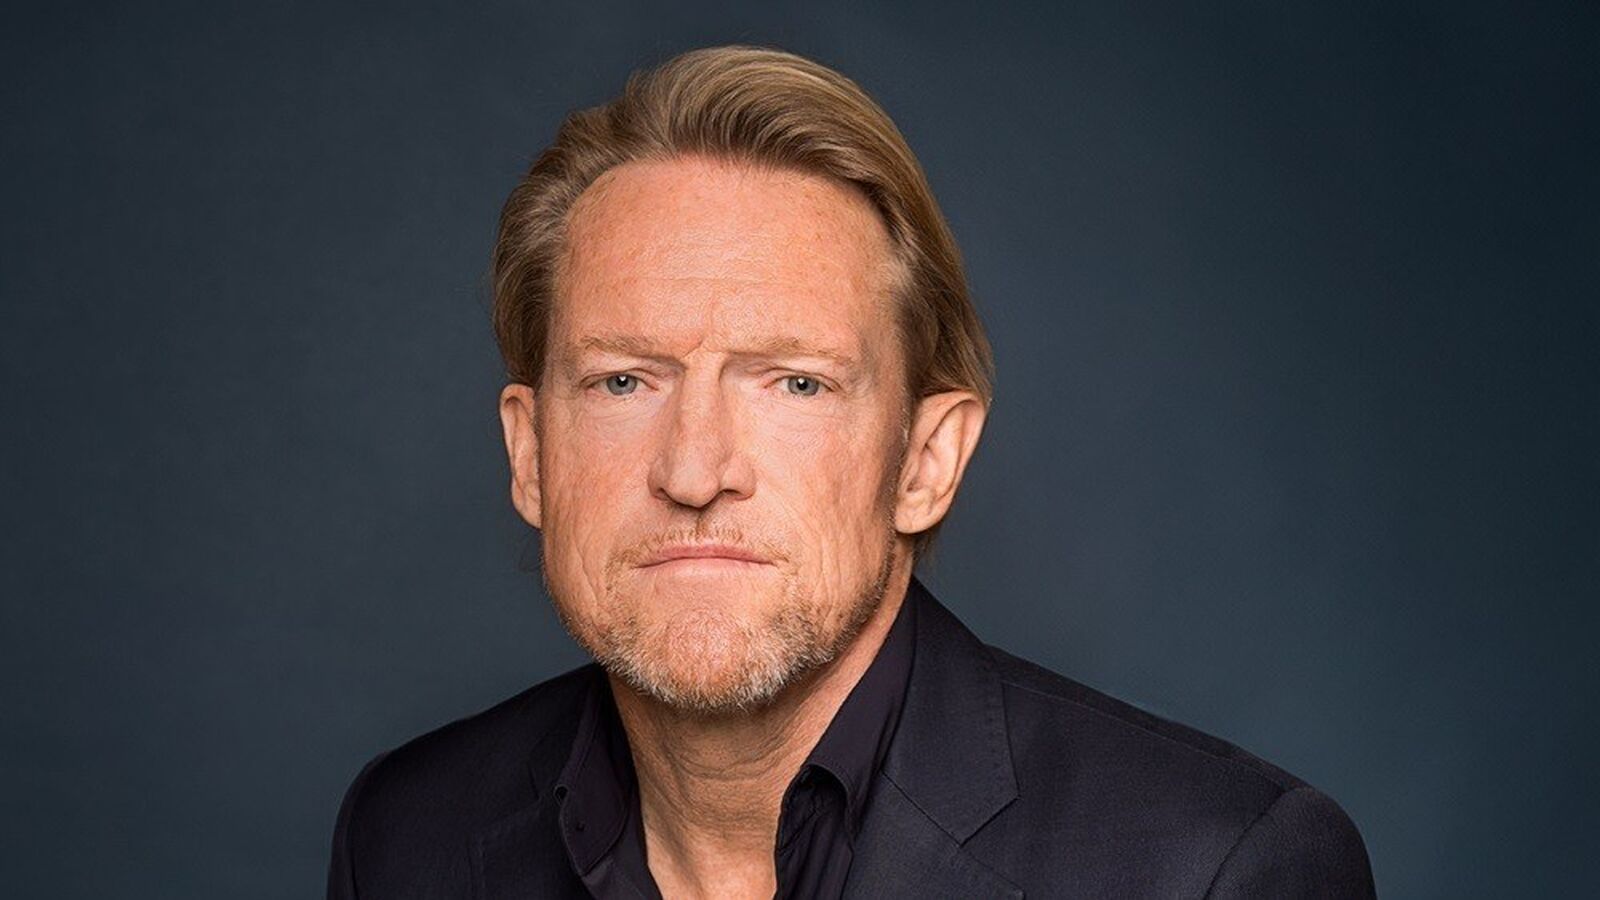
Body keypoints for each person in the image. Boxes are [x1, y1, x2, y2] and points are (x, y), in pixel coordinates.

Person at [326, 45, 1375, 899]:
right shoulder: (407, 836)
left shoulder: (1214, 869)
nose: (694, 470)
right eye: (622, 382)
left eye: (795, 383)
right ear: (530, 454)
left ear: (925, 460)